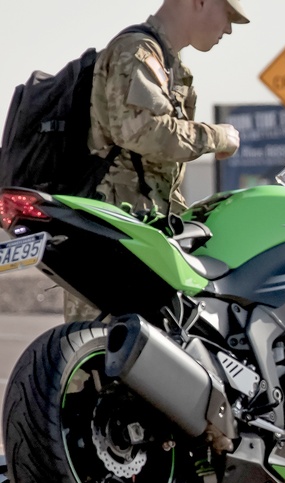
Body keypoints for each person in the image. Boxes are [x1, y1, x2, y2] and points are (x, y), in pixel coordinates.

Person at [64, 0, 249, 322]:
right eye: (228, 14)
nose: (229, 29)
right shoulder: (136, 51)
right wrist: (216, 136)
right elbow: (143, 132)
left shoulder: (167, 63)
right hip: (114, 225)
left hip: (142, 224)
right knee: (103, 351)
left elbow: (158, 168)